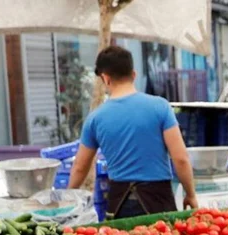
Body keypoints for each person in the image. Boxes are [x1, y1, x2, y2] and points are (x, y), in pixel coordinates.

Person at [69, 46, 198, 218]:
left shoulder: (95, 119)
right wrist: (190, 194)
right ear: (134, 74)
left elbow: (79, 168)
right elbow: (181, 159)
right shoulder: (160, 107)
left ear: (105, 78)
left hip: (120, 205)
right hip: (159, 201)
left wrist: (68, 198)